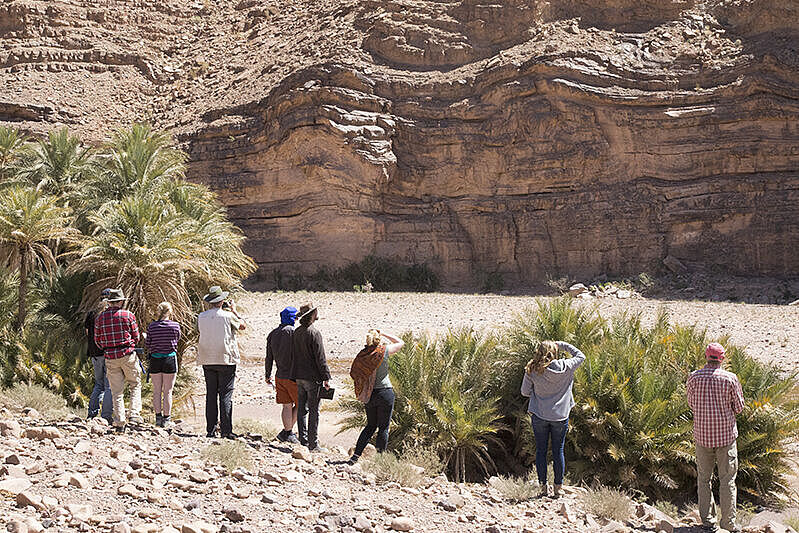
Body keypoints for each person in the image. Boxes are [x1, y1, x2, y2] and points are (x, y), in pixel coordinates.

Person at [687, 343, 745, 533]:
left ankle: (708, 521)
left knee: (704, 480)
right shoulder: (730, 378)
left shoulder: (694, 377)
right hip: (726, 438)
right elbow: (739, 408)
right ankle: (728, 523)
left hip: (702, 437)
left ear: (706, 356)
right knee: (727, 480)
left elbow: (691, 404)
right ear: (722, 358)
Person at [520, 340, 585, 497]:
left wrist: (539, 394)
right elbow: (581, 355)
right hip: (560, 416)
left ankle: (543, 487)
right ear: (555, 352)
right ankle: (558, 488)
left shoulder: (532, 369)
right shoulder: (567, 366)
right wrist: (562, 344)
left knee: (541, 451)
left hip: (540, 415)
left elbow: (524, 392)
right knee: (558, 450)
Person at [347, 329, 404, 465]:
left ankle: (355, 457)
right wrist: (383, 333)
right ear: (378, 340)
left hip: (370, 395)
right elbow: (400, 342)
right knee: (383, 428)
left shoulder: (362, 355)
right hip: (385, 393)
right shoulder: (383, 351)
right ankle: (380, 461)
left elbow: (354, 373)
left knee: (370, 426)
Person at [197, 286, 246, 439]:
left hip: (207, 358)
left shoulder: (201, 316)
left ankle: (211, 430)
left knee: (211, 395)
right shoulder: (228, 316)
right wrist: (234, 310)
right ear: (222, 300)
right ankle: (226, 430)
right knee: (225, 395)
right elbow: (242, 325)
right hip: (225, 358)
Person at [94, 288, 142, 431]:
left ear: (109, 302)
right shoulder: (128, 315)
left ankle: (120, 421)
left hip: (110, 356)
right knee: (135, 384)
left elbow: (97, 339)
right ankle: (134, 414)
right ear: (120, 301)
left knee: (116, 391)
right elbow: (136, 336)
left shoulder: (100, 318)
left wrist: (107, 347)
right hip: (127, 354)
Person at [290, 302, 331, 452]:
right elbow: (321, 358)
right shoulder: (314, 333)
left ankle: (303, 441)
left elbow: (293, 355)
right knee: (314, 410)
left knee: (302, 409)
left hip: (299, 376)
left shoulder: (297, 332)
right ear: (312, 315)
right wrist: (326, 377)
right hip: (312, 378)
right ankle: (313, 444)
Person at [265, 306, 300, 444]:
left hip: (279, 375)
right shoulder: (293, 332)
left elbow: (269, 357)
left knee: (286, 406)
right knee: (301, 404)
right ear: (292, 318)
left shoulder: (273, 333)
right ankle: (289, 432)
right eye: (295, 317)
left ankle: (287, 432)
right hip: (293, 376)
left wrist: (267, 375)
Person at [146, 302, 181, 428]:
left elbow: (148, 344)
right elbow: (176, 340)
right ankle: (167, 418)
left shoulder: (152, 326)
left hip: (155, 359)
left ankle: (158, 417)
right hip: (169, 359)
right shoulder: (175, 326)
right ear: (170, 312)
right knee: (168, 391)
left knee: (156, 390)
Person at [86, 301, 112, 423]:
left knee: (98, 384)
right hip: (107, 354)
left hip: (94, 353)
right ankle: (106, 416)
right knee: (109, 386)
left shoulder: (91, 314)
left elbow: (87, 332)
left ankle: (92, 413)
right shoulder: (107, 316)